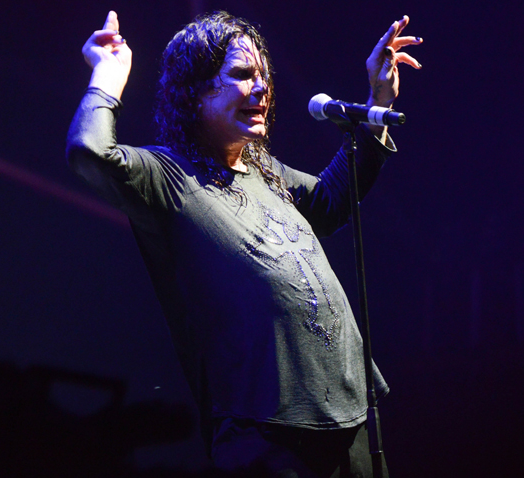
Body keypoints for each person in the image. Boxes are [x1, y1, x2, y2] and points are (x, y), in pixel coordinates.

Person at [67, 10, 421, 476]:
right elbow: (90, 152)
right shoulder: (168, 176)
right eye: (240, 75)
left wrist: (377, 98)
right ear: (194, 93)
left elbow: (333, 201)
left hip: (348, 418)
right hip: (268, 432)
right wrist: (108, 76)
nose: (261, 89)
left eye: (264, 77)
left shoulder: (264, 171)